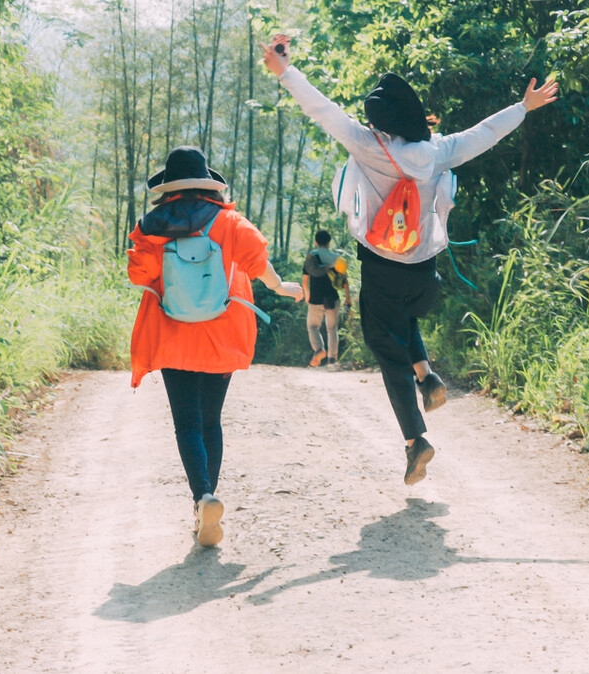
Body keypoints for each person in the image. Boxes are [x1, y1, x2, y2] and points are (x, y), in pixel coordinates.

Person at [262, 35, 559, 485]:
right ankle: (427, 377)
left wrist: (285, 71)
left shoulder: (367, 145)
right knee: (404, 319)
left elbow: (323, 111)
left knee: (387, 351)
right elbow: (483, 135)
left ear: (381, 120)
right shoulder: (439, 150)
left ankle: (414, 438)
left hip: (381, 269)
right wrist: (523, 107)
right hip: (424, 275)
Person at [127, 146, 303, 546]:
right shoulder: (229, 221)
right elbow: (258, 262)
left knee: (186, 422)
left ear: (168, 188)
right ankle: (208, 503)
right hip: (221, 335)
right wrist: (282, 287)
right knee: (211, 421)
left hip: (172, 335)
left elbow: (140, 275)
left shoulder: (151, 225)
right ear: (208, 184)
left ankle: (202, 496)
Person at [302, 229, 351, 367]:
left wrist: (307, 296)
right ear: (329, 242)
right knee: (332, 329)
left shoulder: (311, 257)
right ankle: (332, 359)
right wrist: (348, 298)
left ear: (316, 242)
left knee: (312, 326)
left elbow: (305, 281)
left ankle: (318, 349)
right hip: (332, 298)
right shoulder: (337, 259)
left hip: (315, 299)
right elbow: (344, 281)